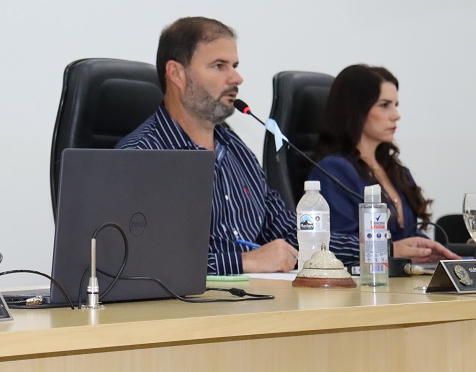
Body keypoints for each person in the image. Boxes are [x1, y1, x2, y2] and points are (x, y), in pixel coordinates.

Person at [116, 16, 362, 275]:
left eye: (234, 65)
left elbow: (290, 232)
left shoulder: (236, 150)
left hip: (257, 296)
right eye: (219, 65)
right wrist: (244, 262)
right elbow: (138, 261)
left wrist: (371, 248)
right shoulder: (140, 156)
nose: (237, 78)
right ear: (177, 74)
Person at [309, 64, 457, 263]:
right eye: (385, 105)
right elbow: (336, 245)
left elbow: (406, 236)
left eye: (396, 105)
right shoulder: (334, 170)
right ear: (356, 110)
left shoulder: (396, 171)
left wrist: (432, 252)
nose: (396, 115)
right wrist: (392, 250)